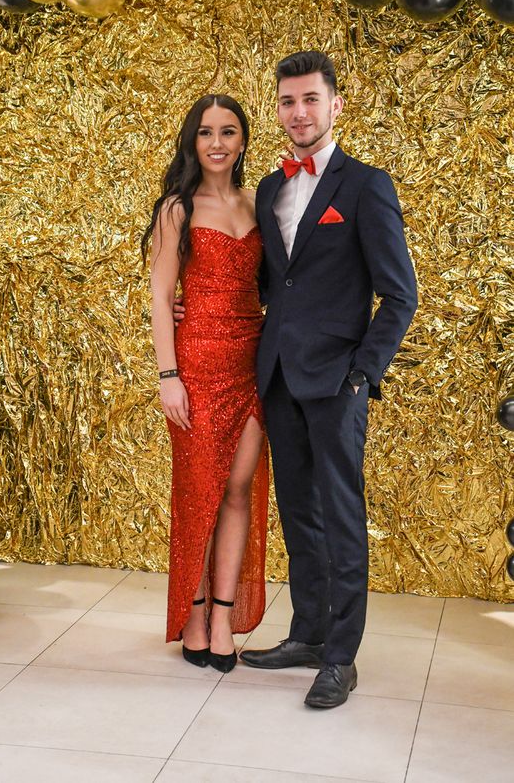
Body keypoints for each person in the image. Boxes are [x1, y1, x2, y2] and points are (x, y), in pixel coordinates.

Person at [176, 51, 418, 708]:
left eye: (311, 99)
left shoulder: (366, 186)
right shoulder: (271, 189)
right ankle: (309, 633)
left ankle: (340, 657)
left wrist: (363, 373)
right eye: (288, 101)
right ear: (278, 110)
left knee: (341, 517)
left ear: (334, 105)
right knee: (298, 512)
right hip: (277, 377)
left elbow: (400, 295)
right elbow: (269, 284)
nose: (299, 112)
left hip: (338, 381)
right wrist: (196, 305)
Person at [142, 94, 269, 674]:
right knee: (199, 494)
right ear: (192, 142)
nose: (217, 142)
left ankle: (222, 617)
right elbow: (160, 297)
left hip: (252, 362)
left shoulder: (258, 203)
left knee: (238, 490)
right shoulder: (177, 208)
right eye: (206, 132)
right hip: (195, 366)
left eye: (228, 131)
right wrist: (169, 376)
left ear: (242, 141)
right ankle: (193, 615)